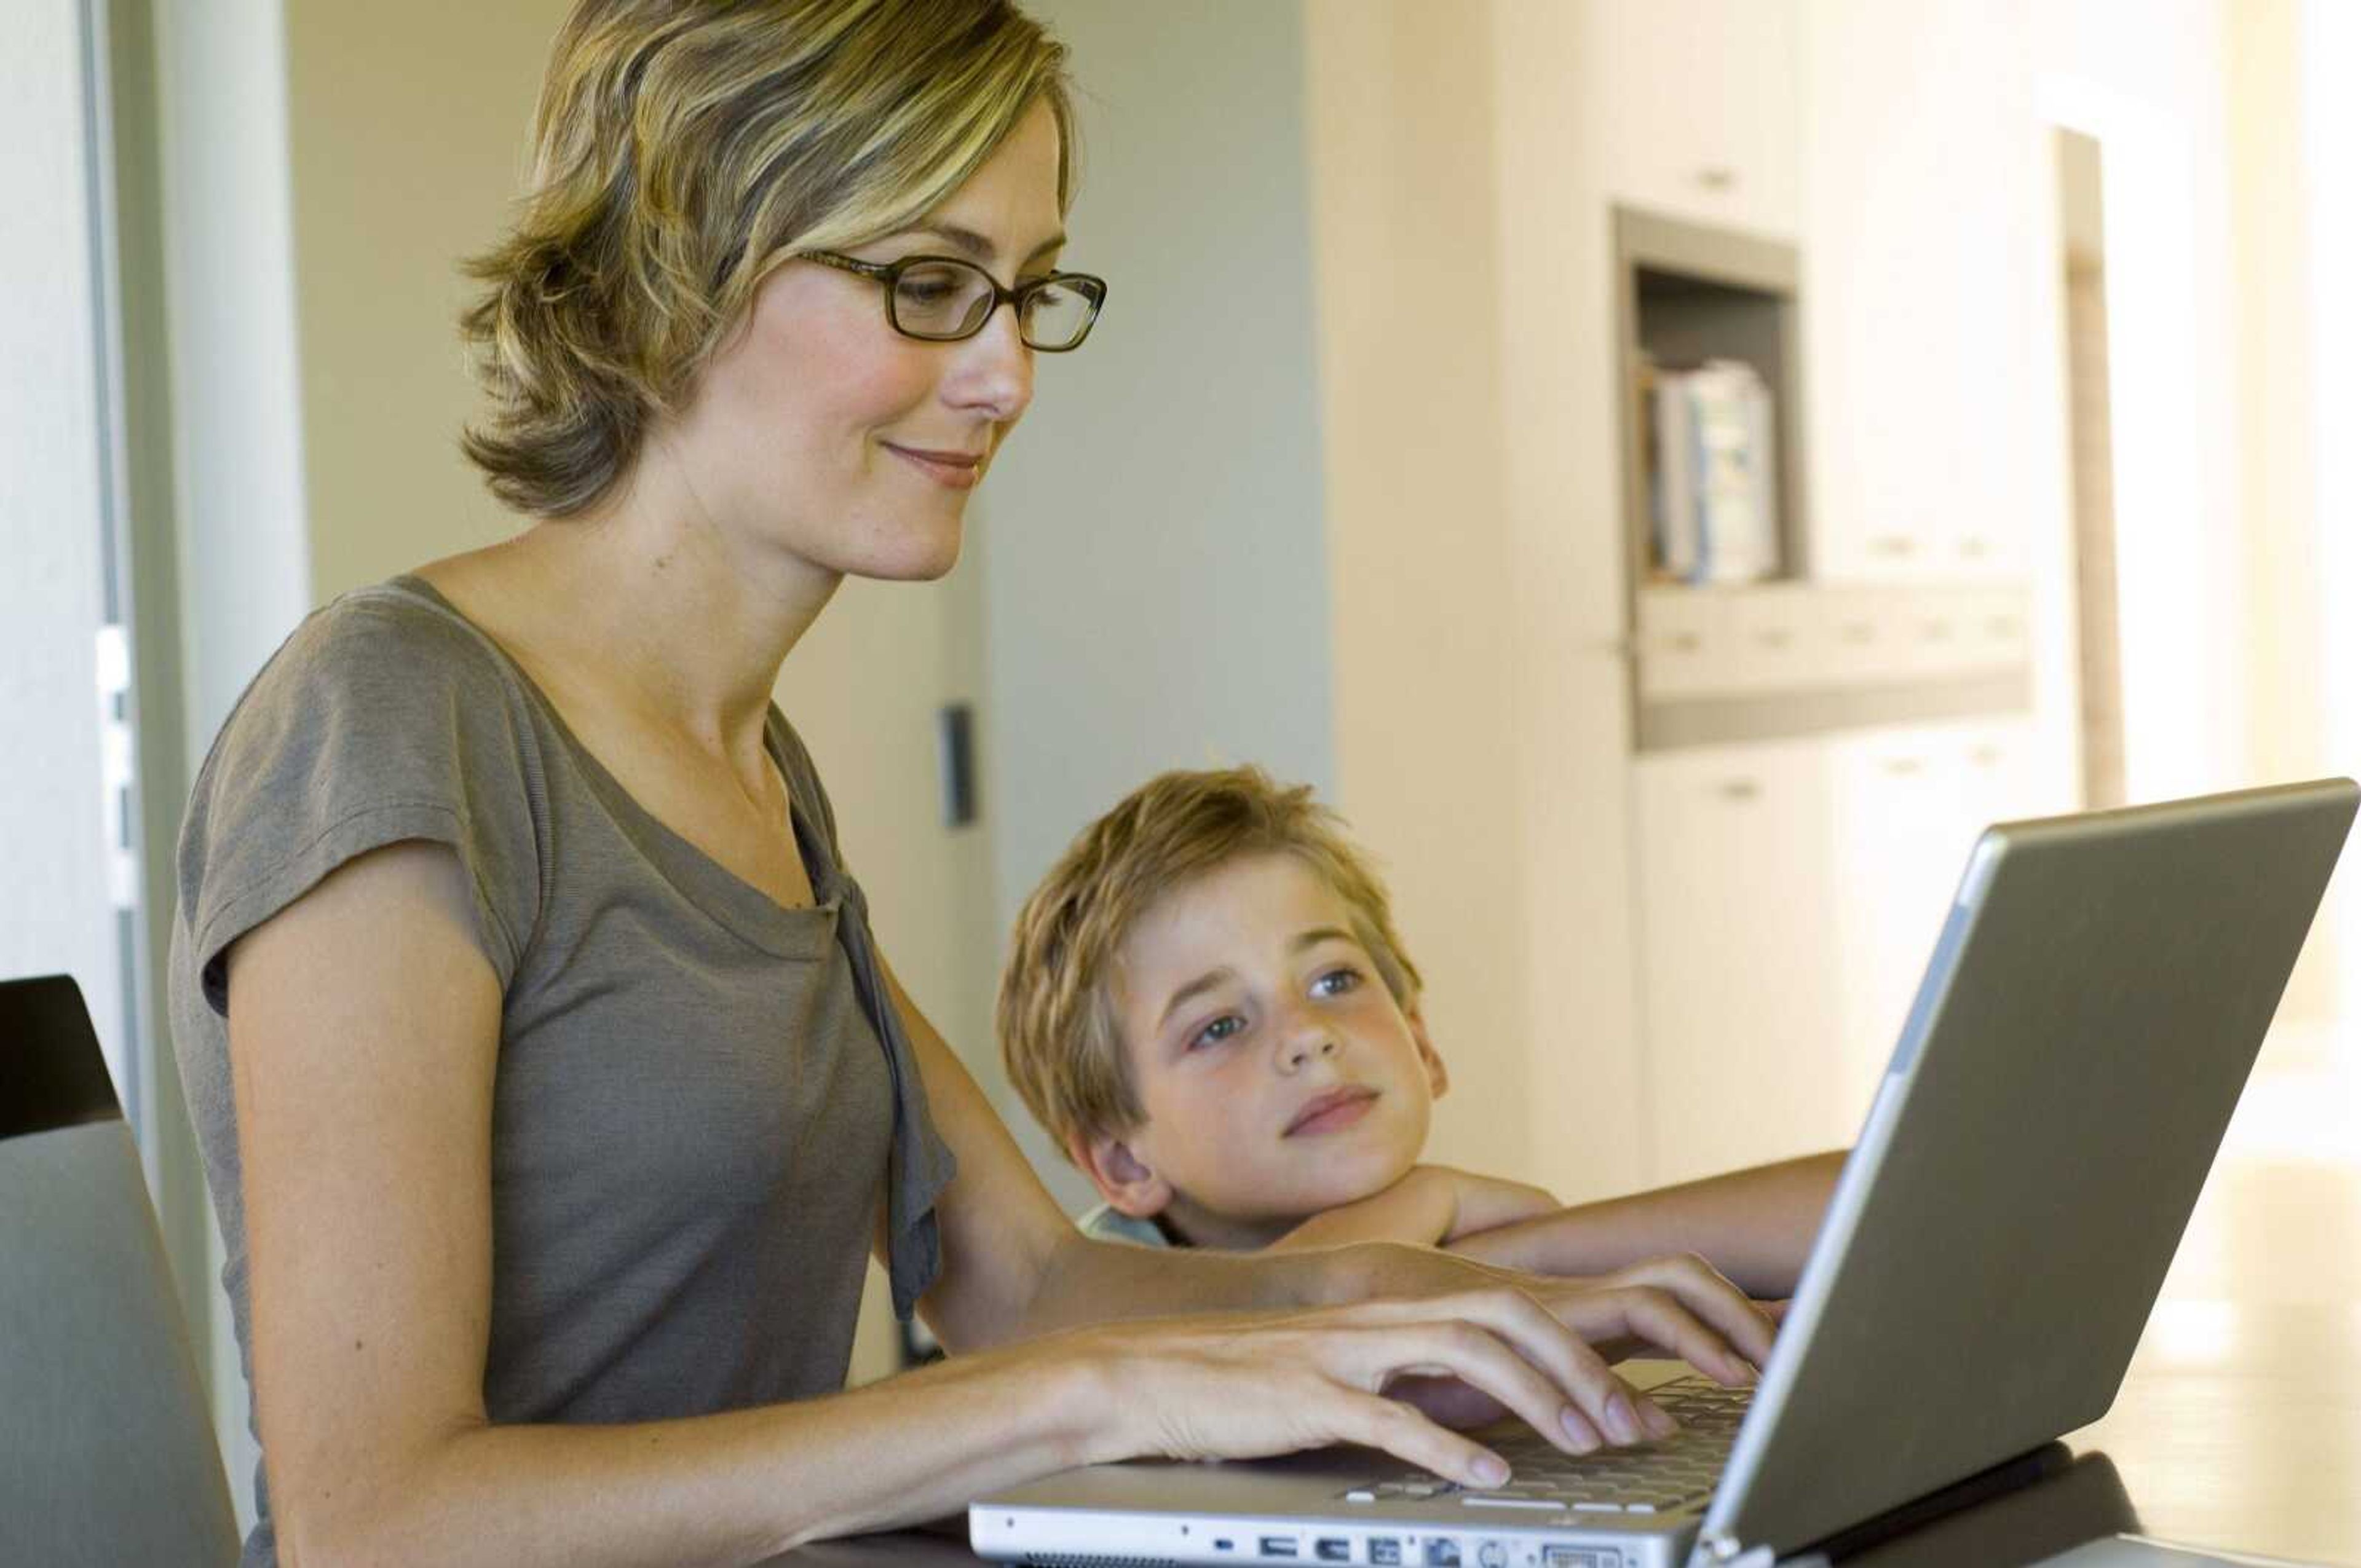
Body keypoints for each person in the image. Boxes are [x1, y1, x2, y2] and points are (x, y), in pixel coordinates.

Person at [165, 4, 1778, 1566]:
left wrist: (1527, 1302)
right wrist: (1075, 1403)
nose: (1007, 374)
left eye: (1029, 291)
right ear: (679, 266)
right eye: (931, 284)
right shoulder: (392, 720)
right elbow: (373, 1527)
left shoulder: (753, 768)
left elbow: (1031, 1291)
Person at [1000, 765, 1845, 1296]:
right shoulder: (1097, 1299)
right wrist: (1425, 1197)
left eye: (1334, 980)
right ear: (1123, 1161)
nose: (1308, 1036)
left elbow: (1861, 1209)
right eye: (1220, 1025)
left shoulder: (1456, 1235)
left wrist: (1543, 1252)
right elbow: (1258, 1324)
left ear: (1421, 1039)